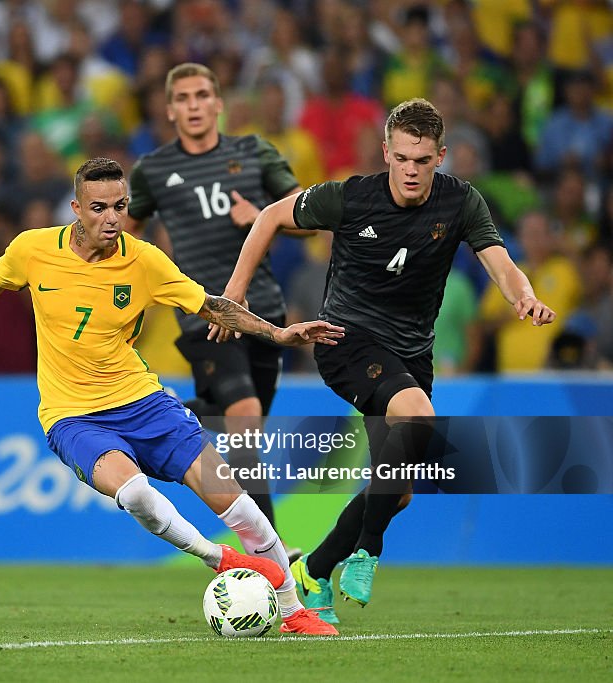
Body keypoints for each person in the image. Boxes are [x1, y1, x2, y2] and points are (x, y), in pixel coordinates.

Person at [0, 157, 344, 636]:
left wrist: (279, 334)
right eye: (99, 207)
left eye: (120, 206)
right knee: (137, 493)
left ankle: (293, 612)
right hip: (73, 416)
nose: (111, 218)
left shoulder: (143, 260)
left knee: (241, 506)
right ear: (77, 208)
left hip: (145, 403)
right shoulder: (33, 249)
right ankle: (219, 558)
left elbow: (211, 305)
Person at [216, 98, 556, 624]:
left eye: (422, 160)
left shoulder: (461, 202)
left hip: (411, 355)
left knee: (396, 493)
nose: (411, 171)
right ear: (386, 153)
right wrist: (235, 293)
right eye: (402, 158)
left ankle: (315, 571)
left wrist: (523, 295)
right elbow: (269, 217)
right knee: (417, 418)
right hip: (345, 340)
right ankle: (367, 553)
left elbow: (499, 261)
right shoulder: (350, 197)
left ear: (440, 156)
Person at [124, 62, 304, 561]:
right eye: (183, 98)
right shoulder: (153, 170)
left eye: (202, 94)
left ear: (218, 102)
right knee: (244, 419)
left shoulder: (253, 152)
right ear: (170, 109)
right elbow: (123, 233)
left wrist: (266, 219)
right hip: (202, 314)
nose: (194, 105)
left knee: (243, 426)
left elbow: (307, 217)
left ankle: (170, 413)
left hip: (265, 315)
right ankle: (271, 547)